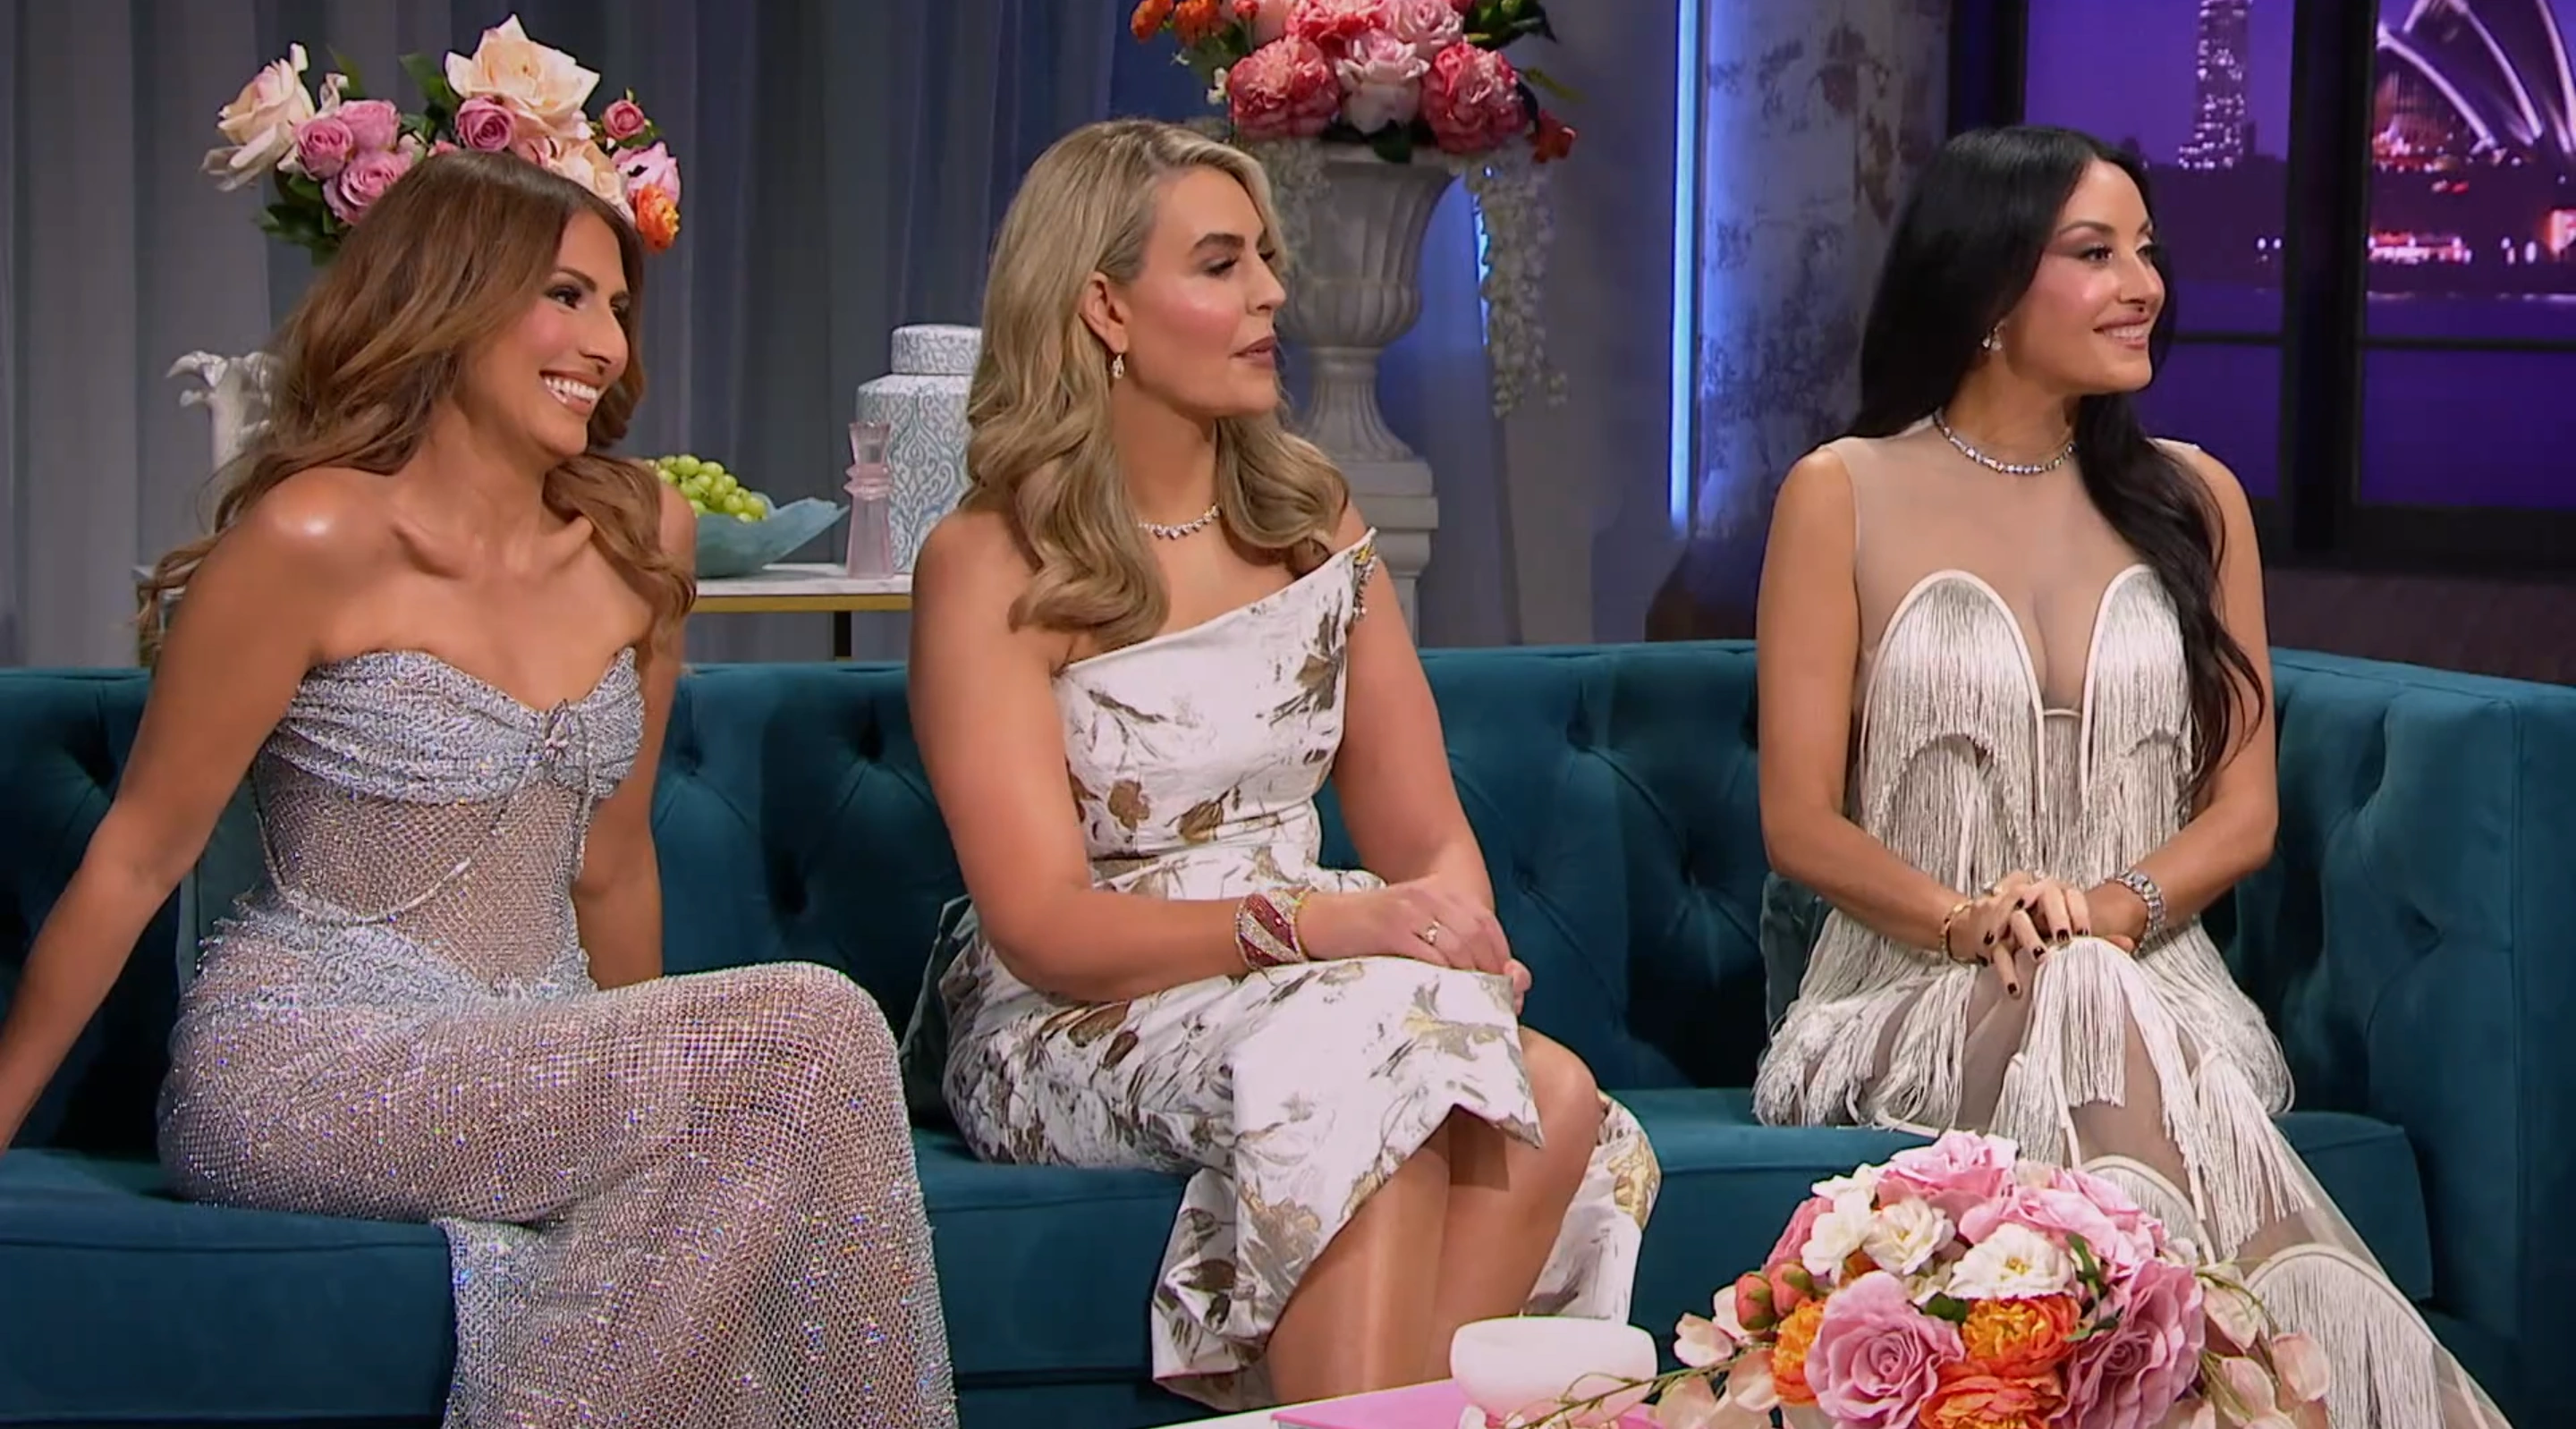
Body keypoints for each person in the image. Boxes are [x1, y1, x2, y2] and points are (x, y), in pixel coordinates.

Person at [0, 151, 955, 1429]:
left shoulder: (641, 538)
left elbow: (611, 860)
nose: (605, 343)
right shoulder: (312, 537)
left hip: (533, 1051)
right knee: (818, 1029)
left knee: (771, 1117)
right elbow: (135, 857)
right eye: (565, 296)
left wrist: (647, 1082)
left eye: (617, 308)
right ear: (448, 298)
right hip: (309, 1058)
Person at [1750, 124, 2506, 1429]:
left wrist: (2103, 913)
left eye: (2146, 252)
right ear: (1990, 284)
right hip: (1910, 995)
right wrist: (1969, 918)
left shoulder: (2197, 502)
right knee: (2072, 987)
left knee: (2090, 984)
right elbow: (1800, 823)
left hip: (2166, 992)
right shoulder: (1842, 492)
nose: (2143, 285)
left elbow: (2245, 812)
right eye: (2095, 254)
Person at [898, 118, 1659, 1410]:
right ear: (1105, 307)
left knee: (1558, 1095)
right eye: (1220, 264)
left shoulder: (1312, 520)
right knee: (1378, 1064)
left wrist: (1459, 953)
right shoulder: (991, 560)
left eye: (1265, 258)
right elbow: (1042, 923)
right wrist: (1315, 928)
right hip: (1076, 1007)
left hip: (1324, 981)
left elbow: (1425, 837)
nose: (1270, 294)